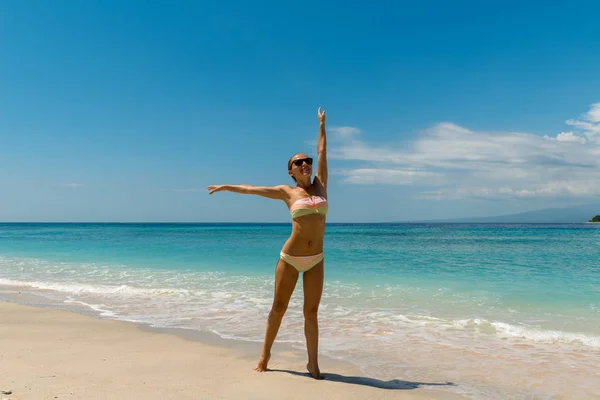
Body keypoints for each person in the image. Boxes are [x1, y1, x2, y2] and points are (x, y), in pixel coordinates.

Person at [207, 107, 329, 379]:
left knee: (311, 312)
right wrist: (226, 186)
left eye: (306, 160)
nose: (305, 163)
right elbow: (252, 189)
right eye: (298, 163)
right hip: (290, 258)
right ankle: (265, 355)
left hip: (317, 258)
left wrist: (321, 124)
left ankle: (313, 364)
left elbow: (322, 152)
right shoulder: (286, 192)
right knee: (279, 308)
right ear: (290, 172)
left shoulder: (321, 185)